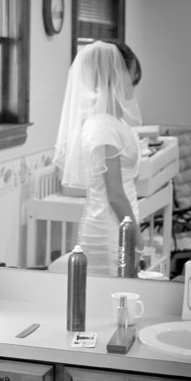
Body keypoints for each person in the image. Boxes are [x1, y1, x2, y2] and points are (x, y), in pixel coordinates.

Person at [53, 40, 144, 276]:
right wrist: (137, 236)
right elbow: (114, 193)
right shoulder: (102, 126)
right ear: (115, 75)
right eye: (131, 79)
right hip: (109, 228)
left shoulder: (113, 121)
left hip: (119, 222)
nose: (133, 88)